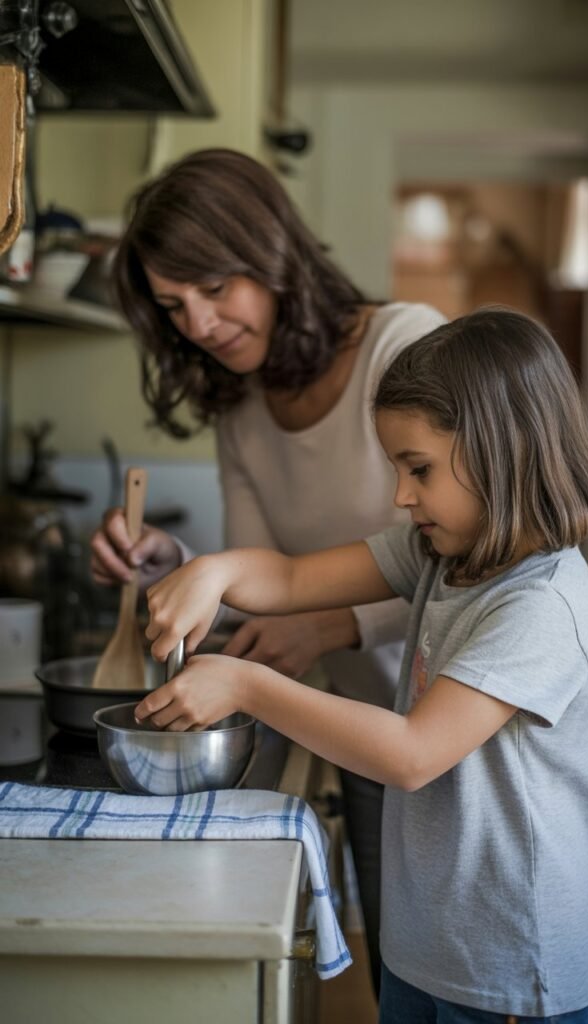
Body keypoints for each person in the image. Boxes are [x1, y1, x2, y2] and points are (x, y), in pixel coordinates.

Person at [134, 308, 588, 1023]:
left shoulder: (543, 606)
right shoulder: (443, 550)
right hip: (429, 946)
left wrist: (245, 684)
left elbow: (414, 754)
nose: (401, 495)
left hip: (513, 971)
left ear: (500, 451)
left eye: (417, 468)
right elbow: (295, 581)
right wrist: (214, 571)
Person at [90, 147, 445, 997]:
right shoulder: (241, 407)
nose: (201, 325)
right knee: (401, 973)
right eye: (175, 307)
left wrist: (331, 625)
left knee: (453, 971)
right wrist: (174, 565)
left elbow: (459, 558)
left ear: (273, 255)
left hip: (444, 713)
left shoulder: (405, 345)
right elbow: (269, 573)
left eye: (215, 290)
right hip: (348, 713)